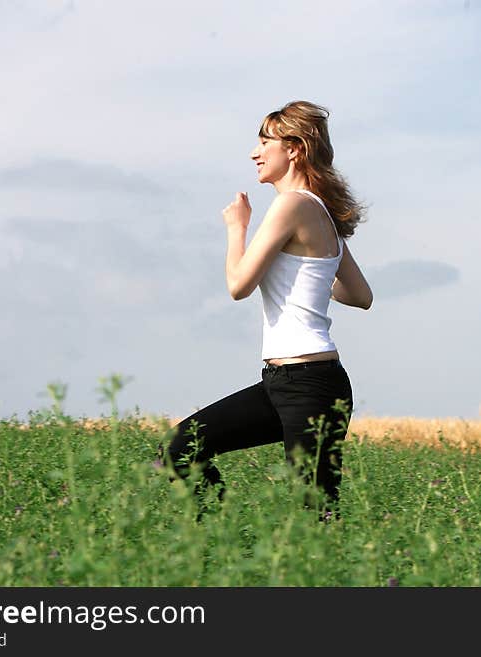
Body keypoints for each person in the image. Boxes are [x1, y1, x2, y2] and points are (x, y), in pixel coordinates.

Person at [161, 100, 372, 520]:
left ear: (294, 149)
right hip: (283, 383)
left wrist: (236, 227)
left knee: (313, 518)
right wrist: (306, 278)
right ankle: (221, 540)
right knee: (179, 448)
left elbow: (239, 285)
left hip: (310, 385)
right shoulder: (321, 212)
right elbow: (358, 294)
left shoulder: (292, 205)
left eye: (264, 142)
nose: (255, 153)